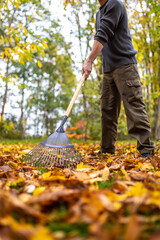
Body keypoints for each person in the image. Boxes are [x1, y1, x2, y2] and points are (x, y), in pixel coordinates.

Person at [82, 0, 154, 158]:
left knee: (133, 104)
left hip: (125, 65)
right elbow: (104, 42)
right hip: (108, 69)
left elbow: (102, 35)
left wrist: (89, 61)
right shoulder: (99, 13)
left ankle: (146, 149)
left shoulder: (115, 4)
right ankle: (106, 149)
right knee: (107, 109)